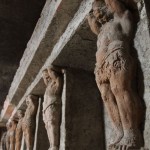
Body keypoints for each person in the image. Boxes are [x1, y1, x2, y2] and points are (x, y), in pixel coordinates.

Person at [87, 0, 142, 149]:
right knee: (107, 97)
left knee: (121, 90)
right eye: (96, 12)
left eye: (100, 9)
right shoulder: (102, 30)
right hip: (101, 65)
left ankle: (131, 134)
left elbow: (117, 7)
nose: (97, 14)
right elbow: (93, 23)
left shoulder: (121, 17)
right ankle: (119, 133)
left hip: (116, 55)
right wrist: (91, 13)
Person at [42, 66, 63, 150]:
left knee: (52, 124)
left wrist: (50, 70)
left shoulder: (56, 81)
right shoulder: (47, 87)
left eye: (47, 77)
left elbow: (58, 80)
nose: (46, 79)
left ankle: (54, 145)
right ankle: (51, 145)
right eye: (44, 78)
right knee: (47, 126)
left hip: (52, 104)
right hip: (46, 108)